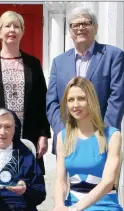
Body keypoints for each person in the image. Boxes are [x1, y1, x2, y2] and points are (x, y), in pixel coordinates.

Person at [0, 10, 51, 173]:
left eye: (17, 26)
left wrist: (43, 134)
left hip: (27, 134)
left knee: (26, 182)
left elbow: (42, 101)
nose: (12, 30)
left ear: (22, 32)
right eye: (7, 26)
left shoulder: (33, 64)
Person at [44, 77, 123, 211]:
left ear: (91, 100)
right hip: (71, 203)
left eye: (81, 99)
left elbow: (108, 182)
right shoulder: (62, 137)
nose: (75, 105)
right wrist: (60, 206)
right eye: (70, 100)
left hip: (104, 207)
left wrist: (73, 210)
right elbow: (60, 181)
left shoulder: (112, 136)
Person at [46, 7, 124, 154]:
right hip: (68, 142)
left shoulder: (113, 56)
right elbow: (52, 102)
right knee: (64, 178)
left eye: (86, 23)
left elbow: (117, 98)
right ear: (70, 31)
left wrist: (103, 134)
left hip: (101, 141)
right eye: (75, 25)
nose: (80, 28)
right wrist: (63, 132)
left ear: (95, 27)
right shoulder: (59, 62)